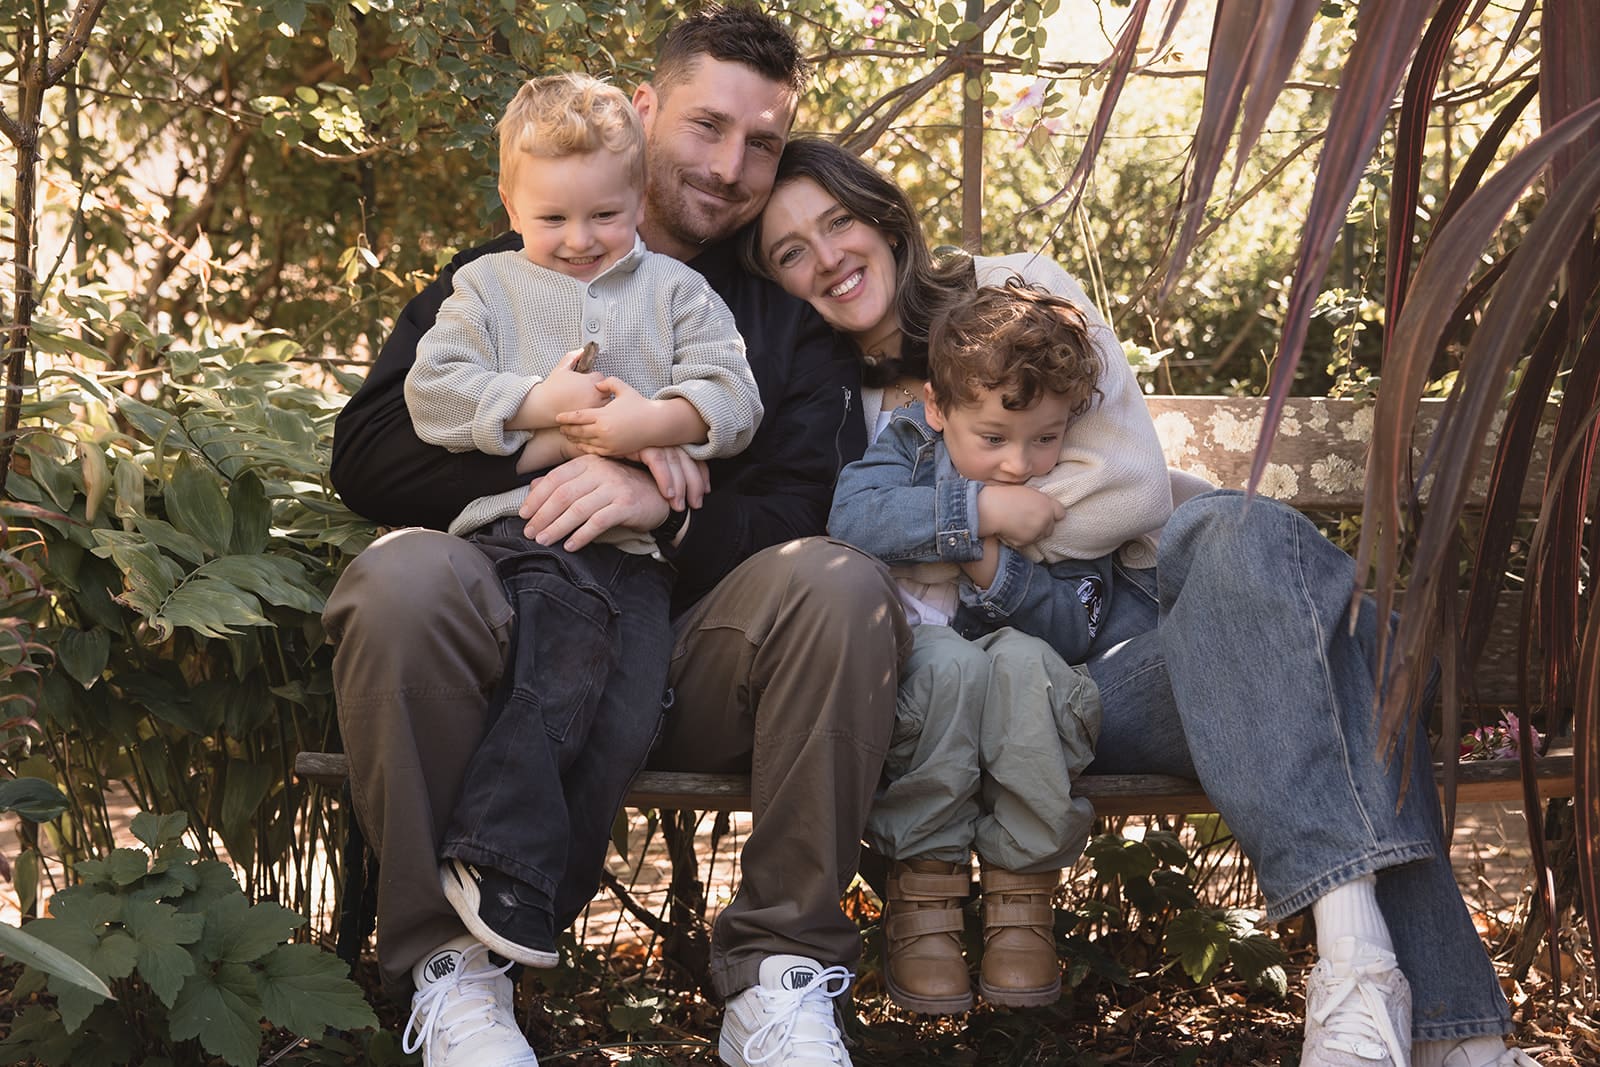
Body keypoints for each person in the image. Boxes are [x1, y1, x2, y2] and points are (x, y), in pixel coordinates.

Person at [748, 135, 1543, 1067]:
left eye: (837, 220)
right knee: (1337, 653)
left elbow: (1127, 485)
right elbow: (864, 534)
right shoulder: (833, 395)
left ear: (881, 215)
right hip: (1071, 692)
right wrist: (987, 519)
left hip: (1177, 621)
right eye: (790, 251)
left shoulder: (1016, 293)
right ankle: (1462, 1037)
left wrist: (961, 521)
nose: (827, 256)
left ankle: (1368, 985)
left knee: (1228, 530)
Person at [325, 9, 911, 1067]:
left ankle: (778, 983)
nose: (731, 167)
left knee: (838, 582)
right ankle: (453, 972)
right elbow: (366, 452)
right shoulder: (501, 278)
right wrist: (554, 443)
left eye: (763, 143)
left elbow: (804, 505)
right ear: (645, 112)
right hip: (515, 622)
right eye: (706, 126)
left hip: (697, 652)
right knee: (399, 578)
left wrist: (663, 502)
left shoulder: (776, 319)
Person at [401, 70, 764, 975]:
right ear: (509, 201)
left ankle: (529, 891)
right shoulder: (485, 287)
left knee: (629, 706)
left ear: (639, 197)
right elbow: (433, 392)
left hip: (635, 561)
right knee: (559, 666)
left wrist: (660, 423)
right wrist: (538, 403)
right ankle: (495, 853)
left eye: (603, 215)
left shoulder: (677, 291)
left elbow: (733, 389)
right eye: (552, 218)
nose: (577, 241)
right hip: (525, 537)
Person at [828, 281, 1112, 1015]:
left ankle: (1023, 899)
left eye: (1044, 436)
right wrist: (978, 513)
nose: (1020, 463)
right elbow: (854, 519)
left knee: (1024, 662)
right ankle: (922, 894)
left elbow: (1077, 624)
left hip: (1025, 699)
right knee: (948, 662)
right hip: (923, 692)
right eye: (993, 438)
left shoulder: (1080, 483)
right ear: (937, 408)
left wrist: (990, 566)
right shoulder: (907, 444)